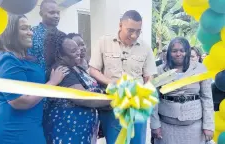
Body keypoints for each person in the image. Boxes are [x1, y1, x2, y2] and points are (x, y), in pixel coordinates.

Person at [0, 14, 67, 144]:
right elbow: (19, 101)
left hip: (27, 124)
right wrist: (52, 83)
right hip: (12, 128)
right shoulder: (7, 60)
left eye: (30, 28)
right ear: (10, 32)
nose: (30, 33)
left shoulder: (22, 58)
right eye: (24, 28)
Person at [89, 10, 157, 144]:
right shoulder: (104, 42)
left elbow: (149, 76)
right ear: (120, 26)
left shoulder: (145, 48)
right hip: (112, 105)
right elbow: (93, 70)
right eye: (130, 30)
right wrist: (112, 84)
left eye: (138, 31)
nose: (134, 35)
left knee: (137, 141)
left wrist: (145, 91)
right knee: (115, 141)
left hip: (136, 107)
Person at [43, 30, 109, 144]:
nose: (79, 51)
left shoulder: (76, 67)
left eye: (78, 47)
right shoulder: (62, 70)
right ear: (60, 55)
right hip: (67, 131)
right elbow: (83, 98)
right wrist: (114, 99)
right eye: (74, 50)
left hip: (81, 131)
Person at [151, 37, 214, 144]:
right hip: (166, 126)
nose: (178, 54)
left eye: (182, 50)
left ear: (187, 51)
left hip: (194, 127)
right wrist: (155, 124)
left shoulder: (200, 69)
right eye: (174, 51)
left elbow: (207, 98)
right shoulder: (160, 70)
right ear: (169, 52)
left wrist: (208, 125)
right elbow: (153, 99)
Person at [28, 0, 60, 71]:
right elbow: (27, 58)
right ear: (41, 13)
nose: (56, 16)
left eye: (58, 13)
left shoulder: (62, 36)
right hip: (37, 79)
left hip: (62, 79)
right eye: (52, 12)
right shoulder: (31, 33)